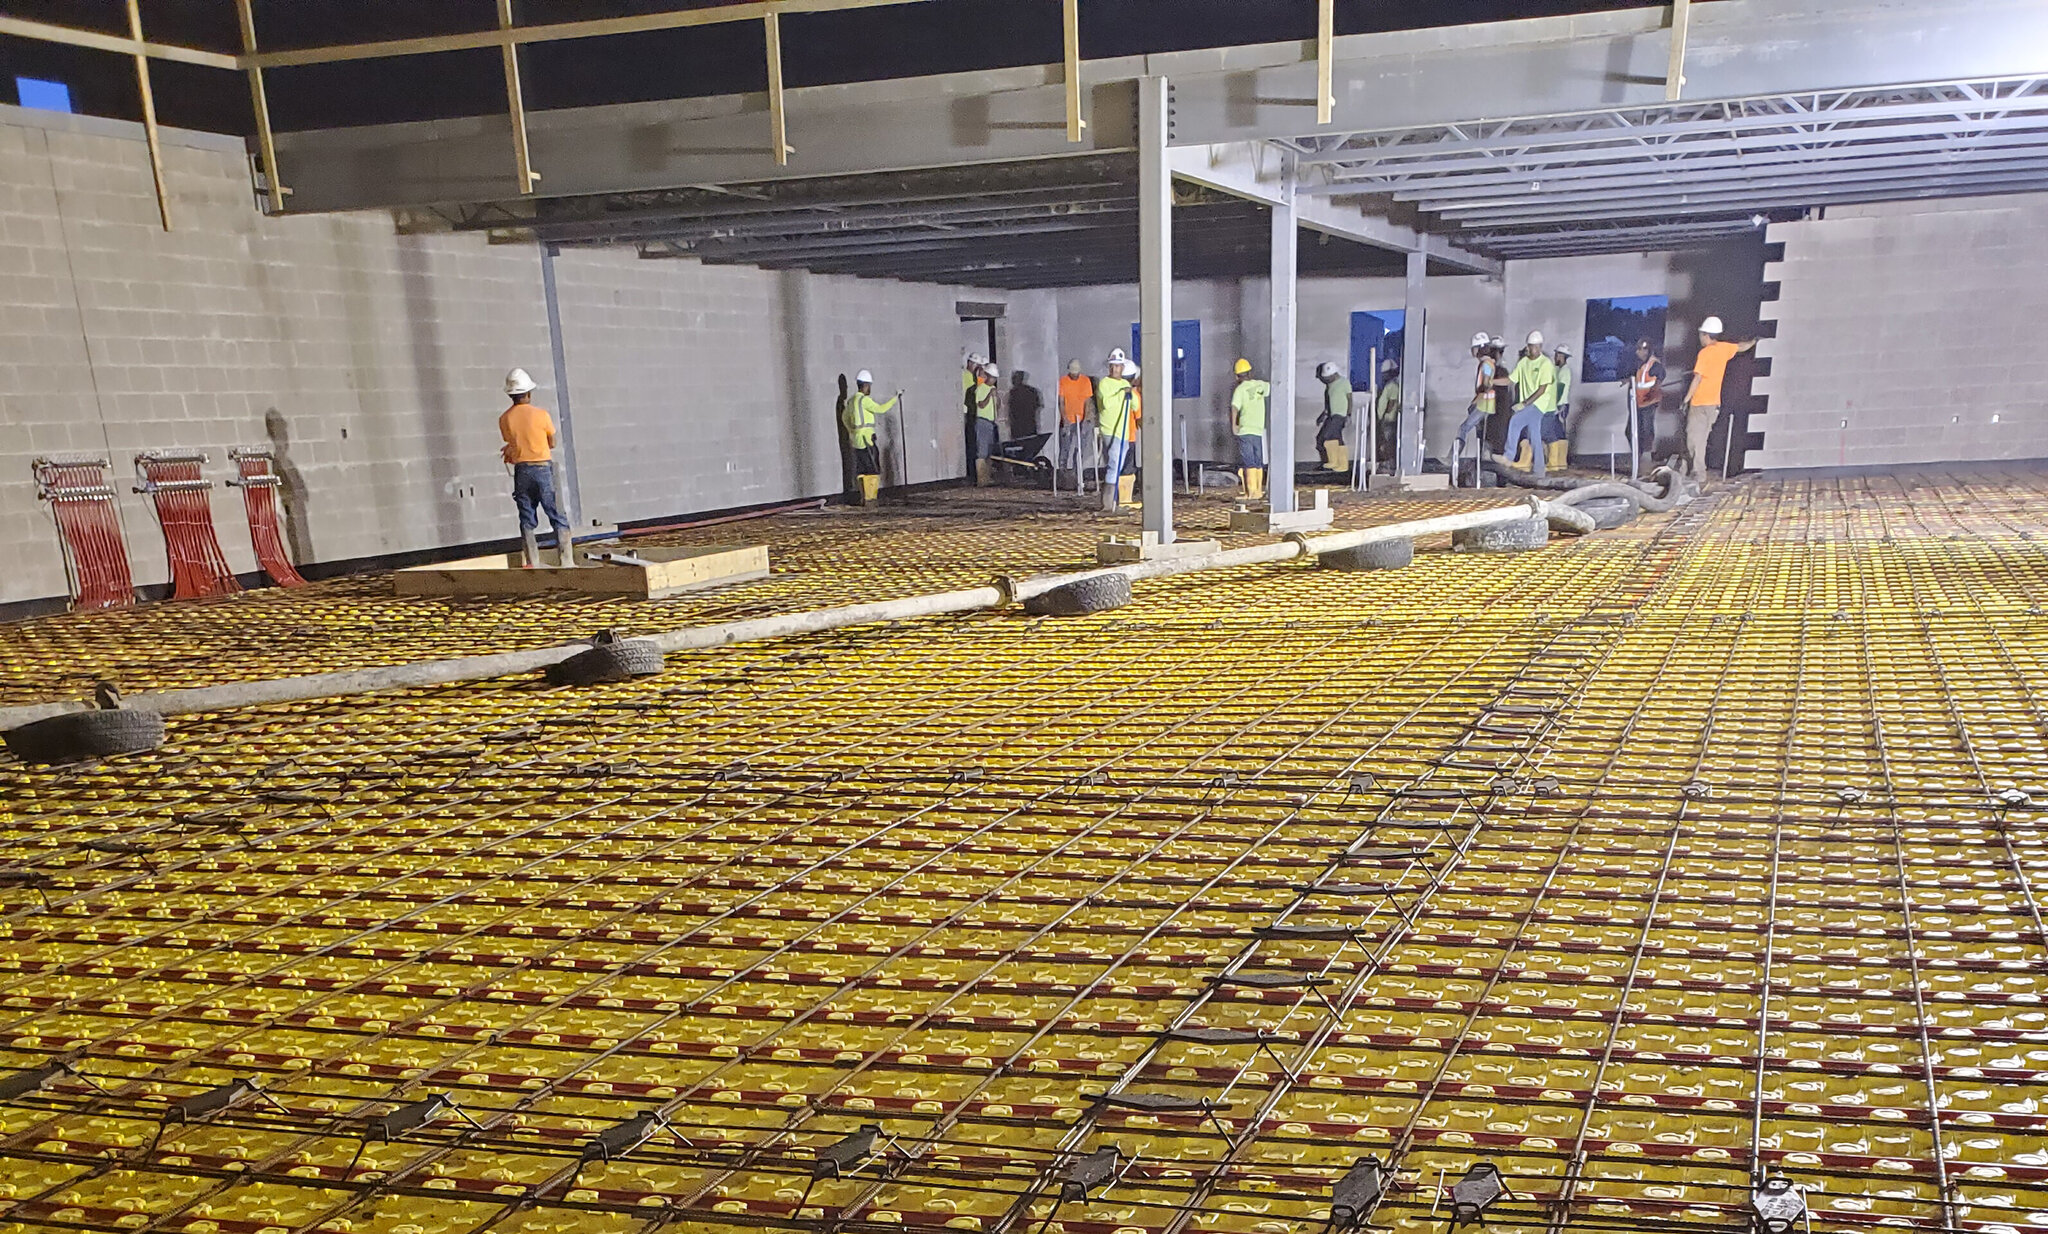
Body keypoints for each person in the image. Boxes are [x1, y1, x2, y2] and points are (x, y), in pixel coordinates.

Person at [498, 368, 572, 567]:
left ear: (510, 395)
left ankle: (532, 561)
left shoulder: (505, 419)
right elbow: (552, 442)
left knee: (526, 517)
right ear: (529, 393)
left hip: (522, 471)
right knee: (556, 514)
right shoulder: (541, 415)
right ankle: (566, 561)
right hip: (542, 469)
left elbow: (512, 442)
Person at [1682, 315, 1756, 483]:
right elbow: (1741, 347)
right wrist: (1754, 342)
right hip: (1714, 404)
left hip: (1699, 403)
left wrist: (1686, 399)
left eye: (1702, 334)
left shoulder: (1705, 353)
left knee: (1694, 439)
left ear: (1706, 335)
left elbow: (1697, 379)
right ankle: (1695, 471)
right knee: (1702, 439)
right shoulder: (1724, 348)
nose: (1700, 337)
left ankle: (1698, 474)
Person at [842, 369, 901, 506]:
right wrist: (895, 398)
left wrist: (852, 431)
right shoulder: (865, 400)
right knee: (873, 469)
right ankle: (870, 498)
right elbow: (881, 409)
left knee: (861, 469)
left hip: (856, 440)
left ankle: (864, 496)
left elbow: (844, 418)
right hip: (867, 440)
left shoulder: (851, 401)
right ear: (866, 385)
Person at [1503, 331, 1556, 478]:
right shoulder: (1523, 363)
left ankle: (1508, 457)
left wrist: (1524, 403)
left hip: (1539, 404)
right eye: (1533, 347)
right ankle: (1539, 470)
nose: (1536, 350)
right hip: (1529, 404)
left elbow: (1542, 389)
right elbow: (1510, 380)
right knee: (1534, 435)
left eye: (1538, 347)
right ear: (1528, 347)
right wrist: (1492, 382)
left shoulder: (1546, 364)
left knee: (1515, 421)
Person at [1097, 348, 1138, 511]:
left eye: (1118, 366)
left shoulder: (1125, 384)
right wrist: (1123, 393)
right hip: (1110, 430)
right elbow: (1107, 403)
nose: (1115, 369)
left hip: (1123, 432)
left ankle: (1113, 502)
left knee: (1118, 465)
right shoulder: (1104, 384)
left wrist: (1131, 393)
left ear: (1122, 368)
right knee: (1114, 464)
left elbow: (1135, 405)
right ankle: (1108, 504)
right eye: (1113, 366)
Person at [1454, 332, 1497, 483]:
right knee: (1480, 435)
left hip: (1484, 404)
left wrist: (1478, 396)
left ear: (1479, 348)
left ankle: (1453, 457)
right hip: (1483, 404)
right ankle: (1483, 460)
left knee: (1464, 428)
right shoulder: (1488, 363)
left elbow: (1485, 383)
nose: (1472, 351)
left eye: (1474, 348)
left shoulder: (1486, 364)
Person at [1230, 358, 1271, 500]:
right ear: (1250, 373)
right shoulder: (1261, 385)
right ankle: (1258, 491)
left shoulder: (1239, 390)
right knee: (1258, 461)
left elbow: (1234, 408)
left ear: (1237, 376)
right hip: (1258, 430)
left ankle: (1250, 493)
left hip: (1245, 430)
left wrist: (1234, 425)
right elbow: (1274, 387)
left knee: (1249, 462)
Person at [1057, 359, 1094, 484]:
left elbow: (1087, 401)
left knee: (1080, 448)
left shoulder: (1085, 381)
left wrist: (1086, 418)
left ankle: (1077, 474)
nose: (1074, 375)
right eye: (1072, 373)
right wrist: (1064, 418)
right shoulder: (1063, 381)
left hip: (1081, 420)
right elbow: (1061, 402)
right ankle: (1062, 475)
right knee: (1064, 448)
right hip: (1068, 420)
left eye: (1076, 373)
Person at [1632, 339, 1666, 469]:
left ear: (1646, 351)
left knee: (1647, 429)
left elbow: (1659, 379)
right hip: (1640, 402)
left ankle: (1646, 455)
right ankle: (1639, 454)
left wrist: (1653, 392)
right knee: (1636, 429)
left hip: (1649, 402)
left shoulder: (1654, 365)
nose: (1637, 352)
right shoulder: (1641, 364)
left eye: (1640, 349)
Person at [1313, 361, 1350, 473]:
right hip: (1332, 414)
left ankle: (1333, 461)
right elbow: (1329, 404)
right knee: (1336, 438)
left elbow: (1349, 398)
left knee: (1327, 436)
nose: (1325, 380)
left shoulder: (1344, 383)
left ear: (1334, 374)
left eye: (1327, 378)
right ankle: (1342, 464)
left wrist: (1348, 414)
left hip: (1340, 415)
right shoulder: (1329, 386)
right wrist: (1323, 415)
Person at [969, 364, 1002, 486]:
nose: (994, 379)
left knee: (989, 451)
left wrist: (996, 398)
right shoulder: (981, 388)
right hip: (982, 421)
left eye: (995, 377)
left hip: (991, 422)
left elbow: (997, 407)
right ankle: (981, 480)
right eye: (992, 377)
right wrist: (989, 395)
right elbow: (981, 405)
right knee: (982, 451)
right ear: (987, 376)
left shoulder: (993, 389)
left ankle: (987, 477)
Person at [1544, 343, 1573, 472]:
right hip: (1557, 404)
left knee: (1557, 432)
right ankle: (1560, 463)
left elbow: (1560, 389)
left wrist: (1554, 404)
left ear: (1562, 356)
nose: (1555, 356)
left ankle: (1558, 463)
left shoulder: (1564, 371)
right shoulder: (1557, 369)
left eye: (1557, 354)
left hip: (1560, 404)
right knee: (1557, 431)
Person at [1373, 358, 1402, 473]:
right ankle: (1388, 462)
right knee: (1385, 441)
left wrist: (1385, 415)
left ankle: (1390, 463)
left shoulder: (1392, 385)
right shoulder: (1389, 385)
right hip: (1385, 419)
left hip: (1389, 419)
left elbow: (1392, 402)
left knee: (1388, 442)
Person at [1008, 369, 1043, 441]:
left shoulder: (1013, 393)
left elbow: (1010, 410)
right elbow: (1038, 408)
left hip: (1018, 427)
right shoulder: (1033, 391)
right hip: (1029, 426)